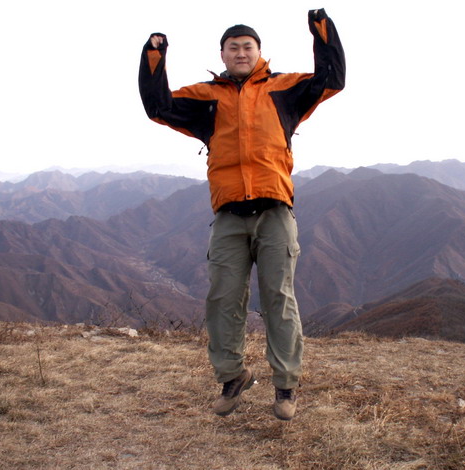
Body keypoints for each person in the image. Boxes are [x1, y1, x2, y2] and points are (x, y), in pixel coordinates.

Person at [138, 9, 345, 420]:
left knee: (278, 299)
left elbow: (331, 79)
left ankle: (285, 386)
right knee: (222, 299)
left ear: (259, 52)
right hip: (229, 216)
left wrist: (322, 29)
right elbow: (158, 106)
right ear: (222, 54)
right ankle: (232, 377)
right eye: (233, 48)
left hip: (275, 211)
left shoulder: (285, 90)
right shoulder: (205, 98)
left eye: (247, 47)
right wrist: (154, 54)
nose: (240, 53)